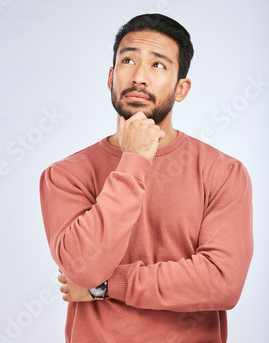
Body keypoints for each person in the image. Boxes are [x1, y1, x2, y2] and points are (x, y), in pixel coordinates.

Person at [39, 13, 253, 343]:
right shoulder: (65, 175)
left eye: (158, 65)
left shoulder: (223, 172)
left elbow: (223, 282)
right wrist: (135, 161)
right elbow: (83, 270)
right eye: (128, 60)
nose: (139, 76)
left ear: (181, 88)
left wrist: (107, 287)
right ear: (111, 76)